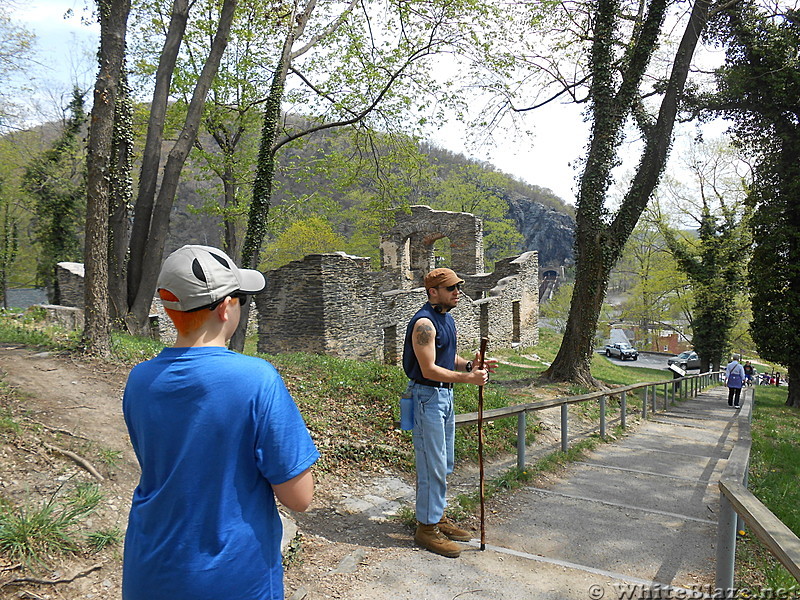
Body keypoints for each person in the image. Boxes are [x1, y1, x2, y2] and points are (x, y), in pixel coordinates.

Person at [122, 245, 320, 600]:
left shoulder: (140, 380)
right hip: (232, 575)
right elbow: (300, 497)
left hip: (149, 568)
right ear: (226, 308)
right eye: (241, 298)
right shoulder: (257, 379)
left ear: (169, 309)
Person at [402, 267, 497, 558]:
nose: (458, 291)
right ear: (433, 292)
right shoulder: (424, 324)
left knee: (444, 462)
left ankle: (436, 516)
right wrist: (469, 379)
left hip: (444, 396)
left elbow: (446, 357)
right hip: (427, 396)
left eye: (459, 286)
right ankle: (426, 529)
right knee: (432, 464)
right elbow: (429, 369)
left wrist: (469, 365)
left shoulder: (446, 320)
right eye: (451, 288)